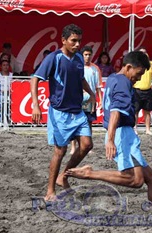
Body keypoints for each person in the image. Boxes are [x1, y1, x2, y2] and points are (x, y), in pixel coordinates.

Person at [65, 50, 152, 225]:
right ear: (129, 67)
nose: (138, 79)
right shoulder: (123, 83)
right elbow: (116, 111)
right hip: (122, 135)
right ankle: (89, 173)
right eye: (138, 74)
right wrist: (110, 139)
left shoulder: (114, 78)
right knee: (136, 180)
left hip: (125, 134)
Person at [30, 24, 96, 202]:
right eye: (74, 41)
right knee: (60, 151)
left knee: (87, 145)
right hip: (59, 112)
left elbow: (81, 78)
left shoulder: (78, 60)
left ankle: (63, 176)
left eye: (79, 41)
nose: (77, 45)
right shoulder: (54, 58)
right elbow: (34, 79)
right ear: (63, 40)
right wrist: (35, 105)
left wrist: (91, 93)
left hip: (77, 111)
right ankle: (50, 191)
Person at [70, 46, 103, 154]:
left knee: (89, 123)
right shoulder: (77, 67)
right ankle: (73, 147)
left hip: (90, 99)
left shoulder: (95, 68)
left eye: (89, 54)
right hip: (78, 98)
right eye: (86, 55)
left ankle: (88, 146)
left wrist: (100, 100)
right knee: (76, 122)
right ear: (82, 55)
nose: (88, 57)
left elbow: (98, 86)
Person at [133, 47, 152, 135]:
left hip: (147, 90)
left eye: (145, 53)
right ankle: (134, 128)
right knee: (135, 111)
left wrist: (147, 61)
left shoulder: (150, 63)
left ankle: (147, 129)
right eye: (141, 53)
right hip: (137, 90)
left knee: (147, 111)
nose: (143, 54)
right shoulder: (135, 63)